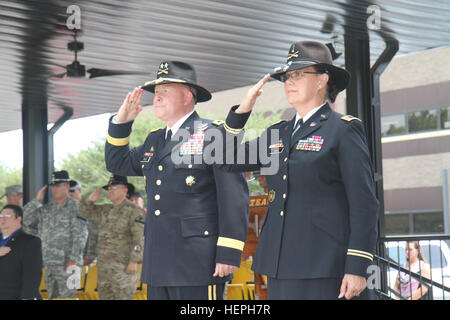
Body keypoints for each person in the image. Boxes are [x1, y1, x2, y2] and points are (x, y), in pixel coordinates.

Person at [223, 40, 380, 299]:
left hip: (324, 265)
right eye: (286, 76)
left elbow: (364, 204)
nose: (289, 81)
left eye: (298, 74)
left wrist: (357, 267)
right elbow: (226, 158)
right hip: (280, 264)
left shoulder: (343, 130)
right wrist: (242, 111)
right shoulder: (278, 133)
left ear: (322, 80)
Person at [105, 60, 249, 300]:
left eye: (165, 91)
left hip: (199, 262)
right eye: (156, 92)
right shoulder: (155, 140)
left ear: (187, 96)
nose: (157, 97)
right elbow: (116, 163)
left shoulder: (213, 134)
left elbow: (234, 198)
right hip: (159, 262)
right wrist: (122, 122)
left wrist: (228, 253)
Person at [23, 170, 88, 299]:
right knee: (51, 297)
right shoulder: (46, 209)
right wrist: (36, 201)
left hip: (69, 263)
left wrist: (73, 259)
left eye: (58, 185)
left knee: (68, 297)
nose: (54, 189)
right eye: (52, 186)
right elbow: (25, 221)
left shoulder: (77, 207)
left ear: (67, 187)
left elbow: (80, 235)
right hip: (49, 263)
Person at [80, 175, 145, 300]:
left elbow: (139, 238)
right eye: (109, 188)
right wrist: (89, 200)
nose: (110, 190)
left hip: (123, 270)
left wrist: (133, 261)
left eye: (114, 187)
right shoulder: (105, 210)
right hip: (104, 271)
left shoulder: (134, 211)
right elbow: (85, 212)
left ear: (125, 190)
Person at [0, 204, 42, 300]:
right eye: (1, 216)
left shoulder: (30, 241)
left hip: (16, 295)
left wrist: (27, 297)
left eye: (7, 216)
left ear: (18, 219)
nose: (3, 219)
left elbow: (32, 274)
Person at [70, 180, 99, 266]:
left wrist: (88, 258)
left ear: (79, 191)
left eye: (71, 191)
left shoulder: (88, 209)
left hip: (84, 263)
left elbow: (95, 235)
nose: (69, 194)